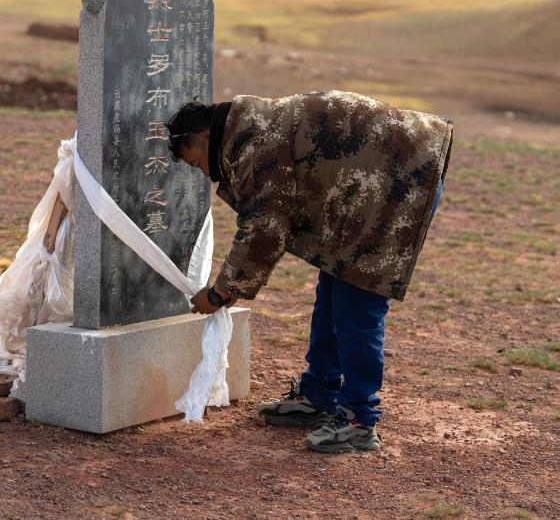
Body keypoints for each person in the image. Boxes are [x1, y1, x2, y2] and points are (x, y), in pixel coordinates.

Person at [167, 90, 452, 453]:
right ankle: (320, 397)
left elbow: (266, 228)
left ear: (206, 136)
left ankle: (358, 419)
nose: (204, 174)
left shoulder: (253, 144)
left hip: (400, 178)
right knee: (331, 296)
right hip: (365, 186)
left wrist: (220, 292)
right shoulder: (246, 131)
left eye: (196, 163)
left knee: (356, 308)